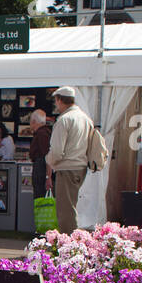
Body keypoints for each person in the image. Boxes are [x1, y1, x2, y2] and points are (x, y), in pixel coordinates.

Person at [45, 86, 94, 234]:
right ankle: (73, 241)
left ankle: (69, 243)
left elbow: (57, 151)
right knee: (72, 206)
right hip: (81, 166)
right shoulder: (85, 118)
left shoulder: (64, 120)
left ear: (59, 100)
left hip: (66, 168)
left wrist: (49, 160)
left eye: (56, 101)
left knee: (65, 209)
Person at [28, 109, 53, 194]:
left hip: (42, 171)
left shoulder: (42, 134)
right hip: (40, 170)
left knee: (40, 198)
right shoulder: (44, 132)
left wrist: (48, 176)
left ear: (34, 121)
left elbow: (48, 156)